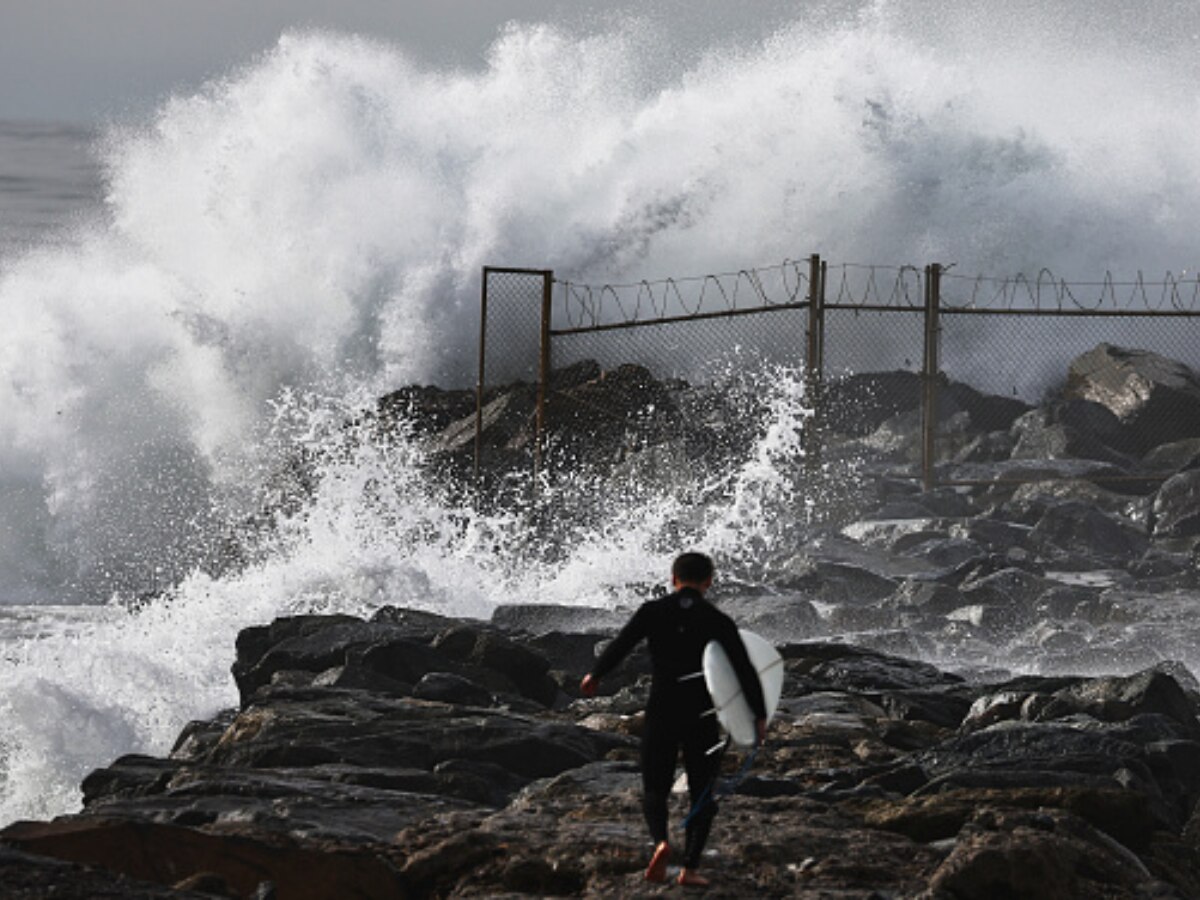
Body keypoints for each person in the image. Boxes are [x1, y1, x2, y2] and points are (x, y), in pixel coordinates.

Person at [580, 552, 767, 887]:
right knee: (702, 791)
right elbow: (743, 670)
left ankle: (661, 843)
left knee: (655, 787)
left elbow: (621, 645)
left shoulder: (653, 612)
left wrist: (595, 675)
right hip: (700, 714)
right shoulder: (716, 619)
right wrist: (758, 716)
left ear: (672, 577)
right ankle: (690, 869)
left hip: (661, 709)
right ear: (709, 581)